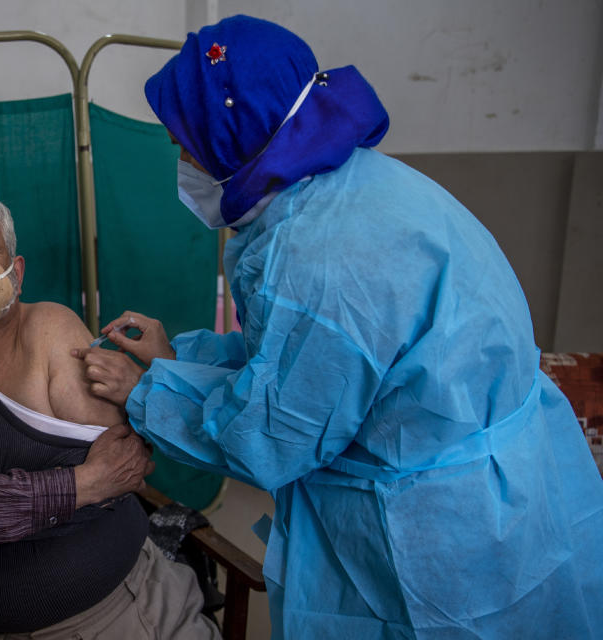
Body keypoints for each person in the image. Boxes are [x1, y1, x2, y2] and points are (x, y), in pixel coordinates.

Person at [74, 15, 603, 640]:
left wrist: (147, 395)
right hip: (509, 479)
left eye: (184, 142)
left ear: (232, 135)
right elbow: (308, 360)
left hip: (445, 536)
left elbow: (271, 433)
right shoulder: (351, 185)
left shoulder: (317, 259)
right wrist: (176, 358)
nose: (182, 159)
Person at [0, 193, 220, 640]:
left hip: (130, 609)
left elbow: (124, 469)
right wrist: (83, 482)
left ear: (15, 273)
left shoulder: (49, 328)